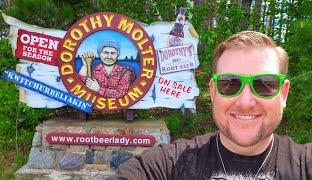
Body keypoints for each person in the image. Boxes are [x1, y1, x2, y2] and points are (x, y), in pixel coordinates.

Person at [106, 31, 312, 179]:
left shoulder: (305, 164)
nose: (246, 102)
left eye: (264, 85)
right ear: (213, 92)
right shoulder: (167, 165)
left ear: (283, 94)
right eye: (229, 84)